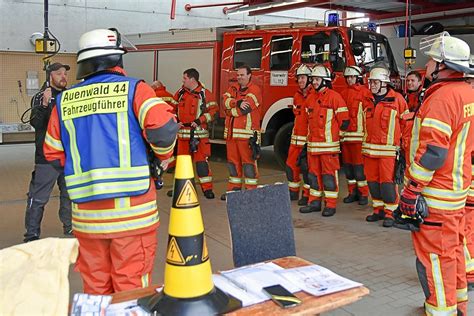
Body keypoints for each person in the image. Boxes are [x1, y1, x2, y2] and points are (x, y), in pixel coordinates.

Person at [43, 28, 179, 294]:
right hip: (132, 217)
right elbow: (163, 130)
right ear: (117, 59)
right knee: (130, 290)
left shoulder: (64, 100)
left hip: (86, 219)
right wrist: (162, 159)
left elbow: (53, 154)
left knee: (95, 288)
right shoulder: (135, 90)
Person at [399, 33, 473, 314]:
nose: (426, 65)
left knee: (435, 260)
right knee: (451, 254)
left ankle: (441, 311)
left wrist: (411, 189)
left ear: (443, 65)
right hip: (455, 193)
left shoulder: (442, 98)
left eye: (431, 60)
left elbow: (433, 153)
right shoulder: (467, 93)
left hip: (436, 196)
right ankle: (459, 307)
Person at [23, 62, 72, 243]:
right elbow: (36, 124)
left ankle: (70, 226)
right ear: (50, 76)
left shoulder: (69, 97)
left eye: (65, 74)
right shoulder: (40, 97)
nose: (64, 77)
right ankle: (32, 233)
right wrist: (44, 104)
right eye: (59, 74)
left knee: (69, 195)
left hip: (67, 157)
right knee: (38, 197)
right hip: (46, 158)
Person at [299, 65, 349, 217]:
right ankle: (314, 202)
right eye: (313, 79)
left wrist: (336, 138)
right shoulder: (310, 98)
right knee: (313, 176)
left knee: (328, 176)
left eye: (317, 79)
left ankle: (330, 204)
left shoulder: (334, 97)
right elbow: (307, 122)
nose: (314, 82)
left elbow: (345, 121)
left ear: (325, 81)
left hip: (328, 148)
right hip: (313, 147)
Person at [363, 66, 408, 227]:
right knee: (373, 183)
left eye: (375, 82)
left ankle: (391, 213)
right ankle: (378, 210)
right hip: (369, 152)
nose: (372, 85)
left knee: (387, 184)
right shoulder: (367, 99)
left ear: (384, 83)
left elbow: (406, 125)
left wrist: (404, 148)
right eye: (371, 82)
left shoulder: (397, 100)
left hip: (388, 153)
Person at [173, 68, 218, 199]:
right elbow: (172, 108)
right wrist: (175, 121)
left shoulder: (205, 94)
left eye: (185, 78)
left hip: (199, 136)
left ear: (192, 79)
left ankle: (207, 189)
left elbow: (214, 111)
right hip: (183, 136)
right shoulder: (180, 93)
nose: (183, 81)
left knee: (202, 164)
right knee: (182, 165)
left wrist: (200, 120)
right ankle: (180, 188)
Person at [221, 64, 262, 200]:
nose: (239, 77)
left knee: (248, 164)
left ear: (249, 75)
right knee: (233, 164)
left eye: (242, 75)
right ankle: (234, 190)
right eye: (238, 75)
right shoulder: (233, 88)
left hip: (247, 136)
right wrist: (237, 103)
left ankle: (251, 192)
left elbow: (246, 109)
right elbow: (224, 102)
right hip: (231, 135)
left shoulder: (255, 90)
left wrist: (229, 110)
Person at [339, 66, 371, 205]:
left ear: (358, 78)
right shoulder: (343, 93)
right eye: (348, 77)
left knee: (359, 169)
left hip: (359, 139)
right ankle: (352, 192)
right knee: (349, 169)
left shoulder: (365, 93)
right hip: (346, 138)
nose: (350, 80)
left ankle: (363, 194)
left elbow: (369, 116)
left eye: (352, 77)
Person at [285, 64, 312, 205]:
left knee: (307, 171)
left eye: (303, 78)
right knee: (290, 167)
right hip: (295, 141)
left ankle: (307, 195)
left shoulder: (314, 96)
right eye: (299, 78)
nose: (301, 81)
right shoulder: (297, 96)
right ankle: (293, 192)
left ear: (309, 79)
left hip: (307, 142)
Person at [151, 80, 178, 175]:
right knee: (169, 146)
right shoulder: (170, 96)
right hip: (168, 124)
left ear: (154, 87)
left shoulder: (153, 96)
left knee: (158, 147)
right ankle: (171, 164)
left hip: (157, 125)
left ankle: (160, 167)